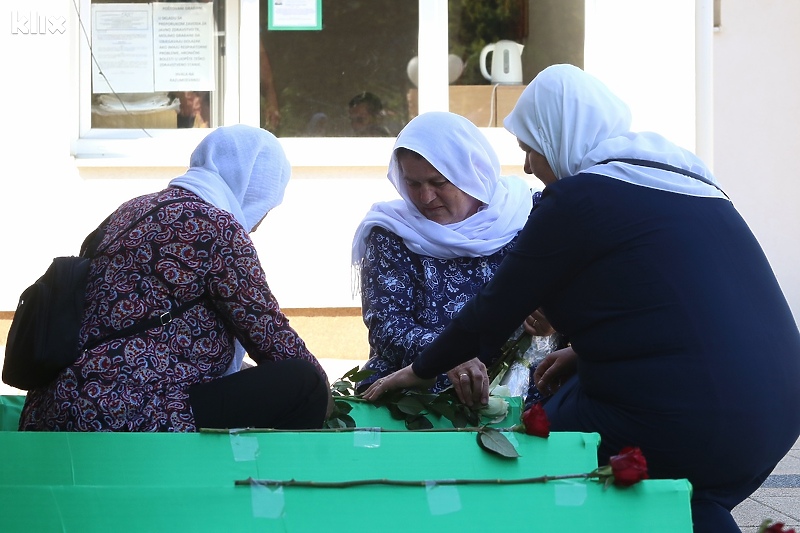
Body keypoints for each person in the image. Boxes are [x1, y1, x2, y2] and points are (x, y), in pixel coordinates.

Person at [363, 65, 800, 532]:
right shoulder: (687, 179)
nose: (528, 166)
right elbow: (671, 306)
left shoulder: (579, 197)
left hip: (686, 414)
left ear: (560, 136)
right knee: (685, 495)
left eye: (531, 148)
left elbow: (494, 311)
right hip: (777, 411)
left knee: (528, 452)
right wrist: (579, 351)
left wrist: (419, 370)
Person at [20, 125, 333, 432]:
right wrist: (327, 395)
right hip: (124, 412)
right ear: (255, 188)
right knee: (304, 384)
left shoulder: (131, 209)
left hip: (50, 406)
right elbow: (272, 338)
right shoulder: (217, 227)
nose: (262, 219)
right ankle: (239, 480)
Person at [352, 111, 554, 399]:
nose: (425, 198)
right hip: (420, 391)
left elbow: (580, 292)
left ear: (471, 172)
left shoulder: (529, 215)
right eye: (413, 183)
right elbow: (388, 326)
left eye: (438, 182)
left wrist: (556, 318)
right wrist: (446, 356)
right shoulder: (392, 231)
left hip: (521, 388)